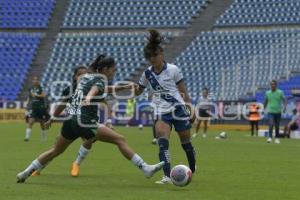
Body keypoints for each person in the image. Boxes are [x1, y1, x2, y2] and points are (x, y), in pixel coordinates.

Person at [16, 55, 164, 183]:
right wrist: (89, 97)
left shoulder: (86, 77)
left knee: (55, 151)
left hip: (70, 120)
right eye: (113, 69)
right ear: (105, 69)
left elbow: (100, 90)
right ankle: (145, 168)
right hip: (85, 121)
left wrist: (123, 86)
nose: (114, 72)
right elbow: (96, 90)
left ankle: (25, 172)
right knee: (120, 139)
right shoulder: (100, 80)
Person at [134, 29, 196, 184]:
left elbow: (183, 91)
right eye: (149, 57)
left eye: (155, 55)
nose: (152, 59)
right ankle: (167, 175)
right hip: (161, 111)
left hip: (178, 109)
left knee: (186, 143)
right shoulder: (147, 74)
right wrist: (134, 89)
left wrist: (191, 108)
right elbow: (138, 91)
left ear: (161, 54)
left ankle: (192, 169)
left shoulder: (173, 69)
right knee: (162, 141)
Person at [24, 76, 50, 142]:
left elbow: (44, 95)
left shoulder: (41, 88)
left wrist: (36, 95)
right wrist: (26, 103)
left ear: (38, 81)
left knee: (42, 123)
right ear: (32, 81)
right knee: (30, 121)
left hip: (41, 107)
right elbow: (29, 97)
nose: (35, 81)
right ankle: (27, 137)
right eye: (34, 80)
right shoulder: (30, 88)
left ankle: (44, 136)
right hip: (33, 107)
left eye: (36, 80)